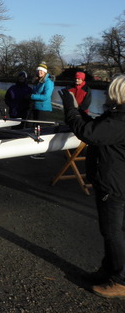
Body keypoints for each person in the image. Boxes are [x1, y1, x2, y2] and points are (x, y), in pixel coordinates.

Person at [61, 75, 125, 298]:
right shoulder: (117, 116)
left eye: (110, 91)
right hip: (114, 180)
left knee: (112, 231)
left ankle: (121, 281)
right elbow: (96, 127)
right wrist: (81, 112)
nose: (106, 94)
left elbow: (88, 133)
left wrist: (70, 109)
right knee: (110, 230)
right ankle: (108, 271)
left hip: (115, 183)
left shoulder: (121, 120)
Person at [29, 62, 55, 159]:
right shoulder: (38, 80)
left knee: (42, 131)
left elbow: (45, 96)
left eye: (41, 70)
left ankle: (41, 152)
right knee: (36, 130)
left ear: (45, 72)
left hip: (44, 109)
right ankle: (36, 149)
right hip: (36, 107)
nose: (39, 72)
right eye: (38, 70)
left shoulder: (48, 82)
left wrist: (31, 96)